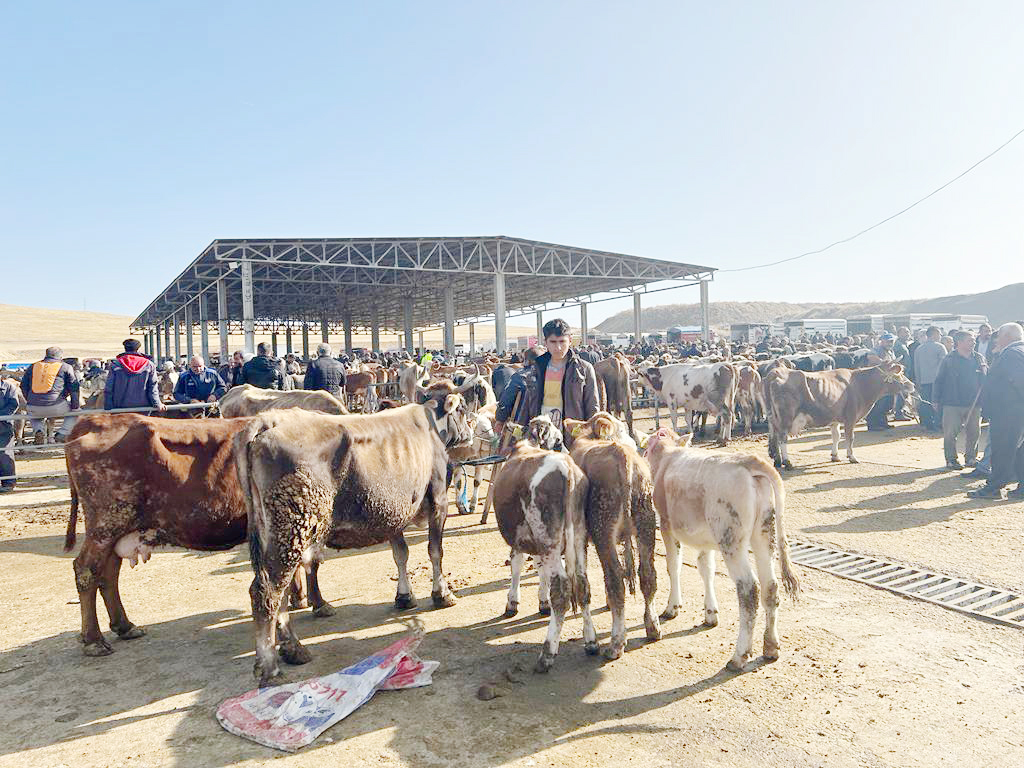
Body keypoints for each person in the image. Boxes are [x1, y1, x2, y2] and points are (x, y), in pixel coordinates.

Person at [494, 318, 599, 435]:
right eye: (553, 342)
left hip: (572, 435)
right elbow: (527, 403)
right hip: (540, 434)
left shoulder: (584, 369)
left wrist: (591, 434)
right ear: (546, 342)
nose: (558, 347)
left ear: (570, 340)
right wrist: (519, 432)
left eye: (562, 342)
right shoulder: (536, 368)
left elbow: (592, 406)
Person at [968, 323, 1024, 499]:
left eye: (998, 335)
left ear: (1007, 336)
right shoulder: (1020, 351)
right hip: (1015, 411)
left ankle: (994, 487)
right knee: (1019, 450)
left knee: (1002, 450)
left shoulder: (1011, 354)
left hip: (1008, 412)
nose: (996, 340)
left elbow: (1019, 381)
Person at [932, 331, 985, 469]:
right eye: (970, 340)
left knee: (974, 432)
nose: (973, 342)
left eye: (973, 340)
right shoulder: (948, 359)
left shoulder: (979, 358)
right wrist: (935, 400)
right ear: (959, 342)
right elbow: (939, 380)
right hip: (952, 403)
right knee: (950, 433)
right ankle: (951, 460)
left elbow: (986, 379)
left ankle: (971, 458)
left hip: (974, 404)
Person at [20, 347, 80, 443]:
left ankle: (38, 430)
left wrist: (30, 400)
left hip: (34, 406)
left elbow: (23, 386)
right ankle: (62, 432)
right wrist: (75, 407)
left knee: (32, 414)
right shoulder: (66, 367)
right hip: (56, 406)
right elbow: (74, 388)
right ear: (60, 356)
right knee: (76, 412)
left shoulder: (33, 366)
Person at [105, 339, 163, 412]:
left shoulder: (115, 365)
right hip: (143, 409)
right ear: (138, 349)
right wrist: (157, 403)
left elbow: (109, 388)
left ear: (125, 348)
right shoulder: (149, 365)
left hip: (119, 409)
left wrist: (108, 407)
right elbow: (153, 387)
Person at [913, 326, 947, 432]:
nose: (940, 336)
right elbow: (945, 365)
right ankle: (938, 423)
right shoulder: (940, 347)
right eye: (939, 334)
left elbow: (916, 367)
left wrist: (918, 381)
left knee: (926, 402)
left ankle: (928, 424)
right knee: (939, 402)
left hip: (924, 381)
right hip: (938, 381)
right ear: (934, 334)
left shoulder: (919, 348)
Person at [865, 333, 897, 430]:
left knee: (887, 402)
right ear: (882, 341)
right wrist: (882, 362)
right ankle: (873, 424)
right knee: (878, 403)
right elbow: (870, 356)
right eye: (888, 341)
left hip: (887, 381)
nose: (890, 343)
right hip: (876, 382)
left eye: (891, 341)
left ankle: (883, 422)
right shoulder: (877, 349)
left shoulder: (890, 351)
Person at [0, 376, 19, 491]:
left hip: (3, 426)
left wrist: (1, 416)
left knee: (5, 454)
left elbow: (13, 404)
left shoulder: (8, 387)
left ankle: (8, 483)